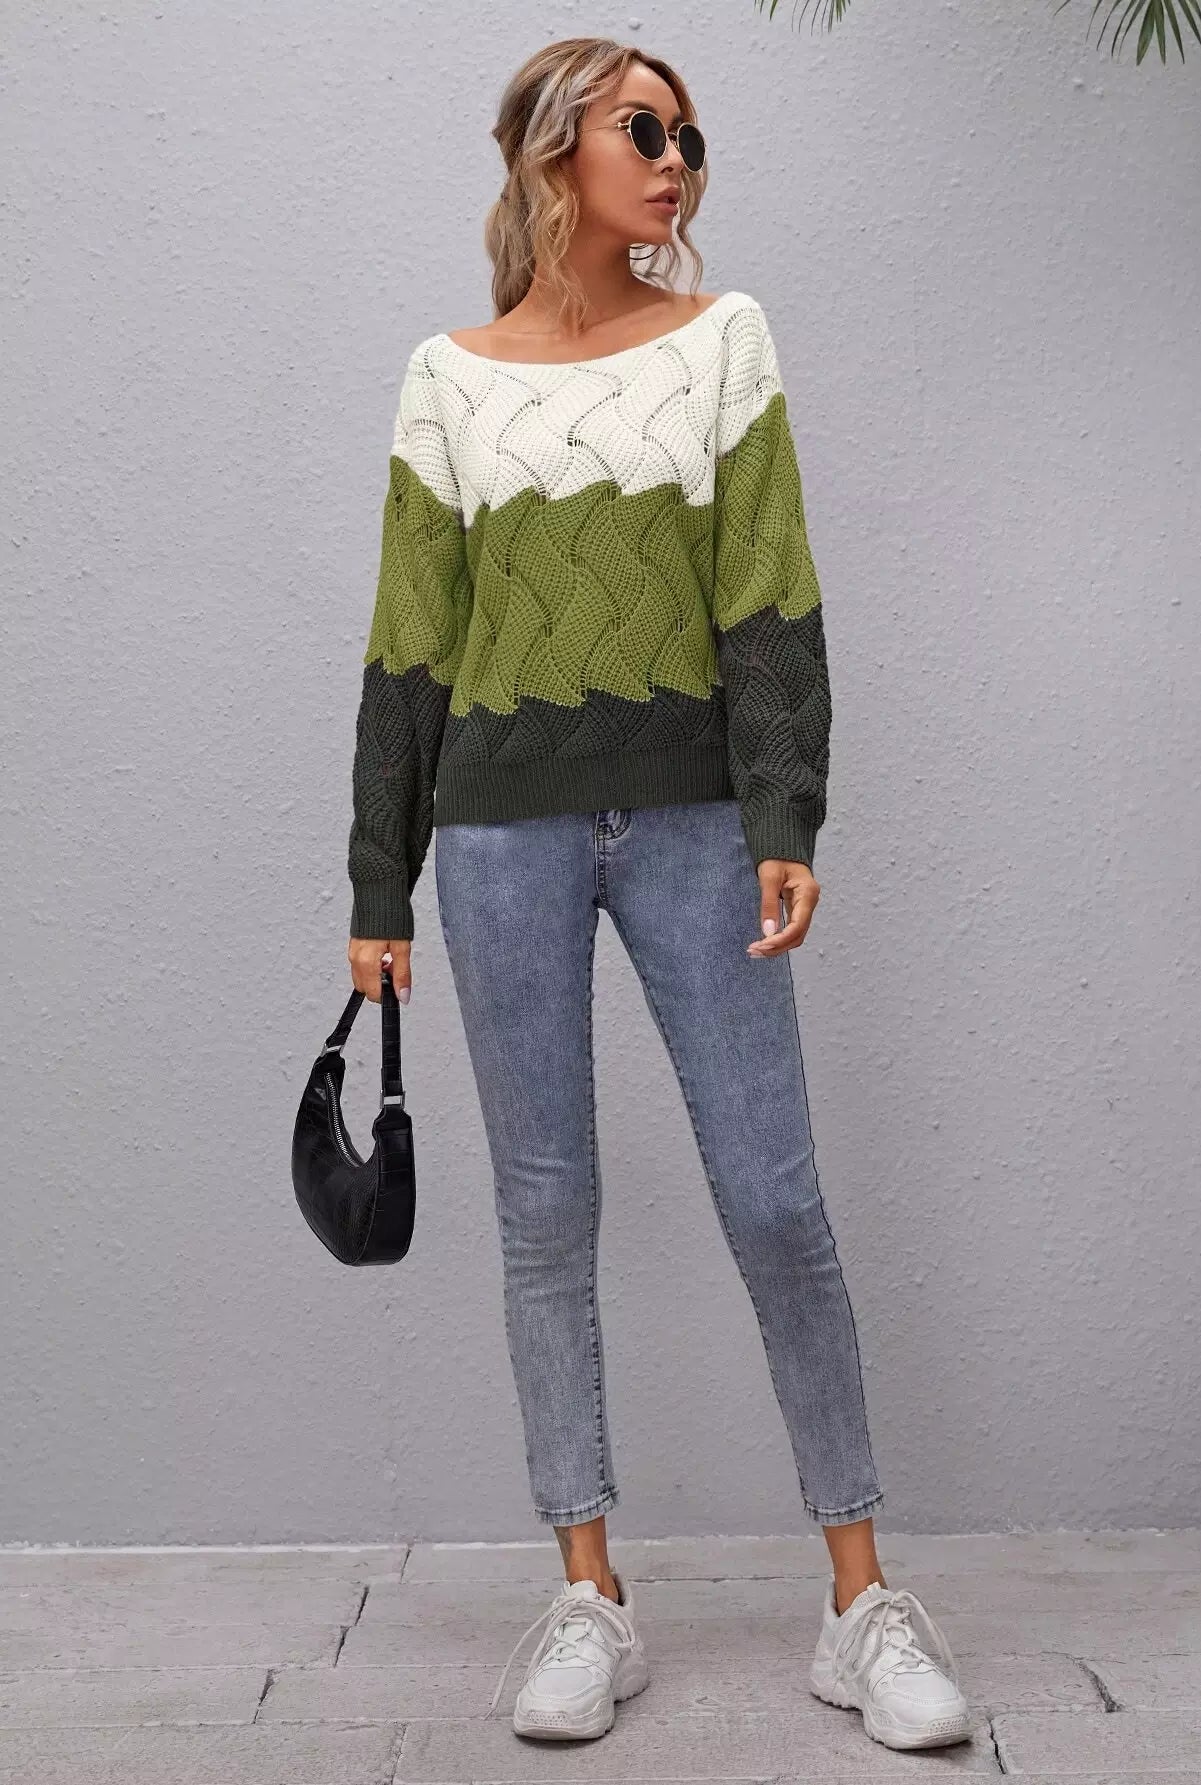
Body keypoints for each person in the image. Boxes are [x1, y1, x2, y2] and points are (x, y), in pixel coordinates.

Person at [343, 33, 972, 1758]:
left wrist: (786, 806)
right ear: (556, 153)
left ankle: (859, 1605)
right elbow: (410, 644)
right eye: (646, 128)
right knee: (546, 1211)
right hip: (499, 835)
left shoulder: (723, 341)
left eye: (690, 132)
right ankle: (588, 1595)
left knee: (775, 1198)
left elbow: (767, 591)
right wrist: (378, 878)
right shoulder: (447, 380)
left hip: (698, 820)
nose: (679, 157)